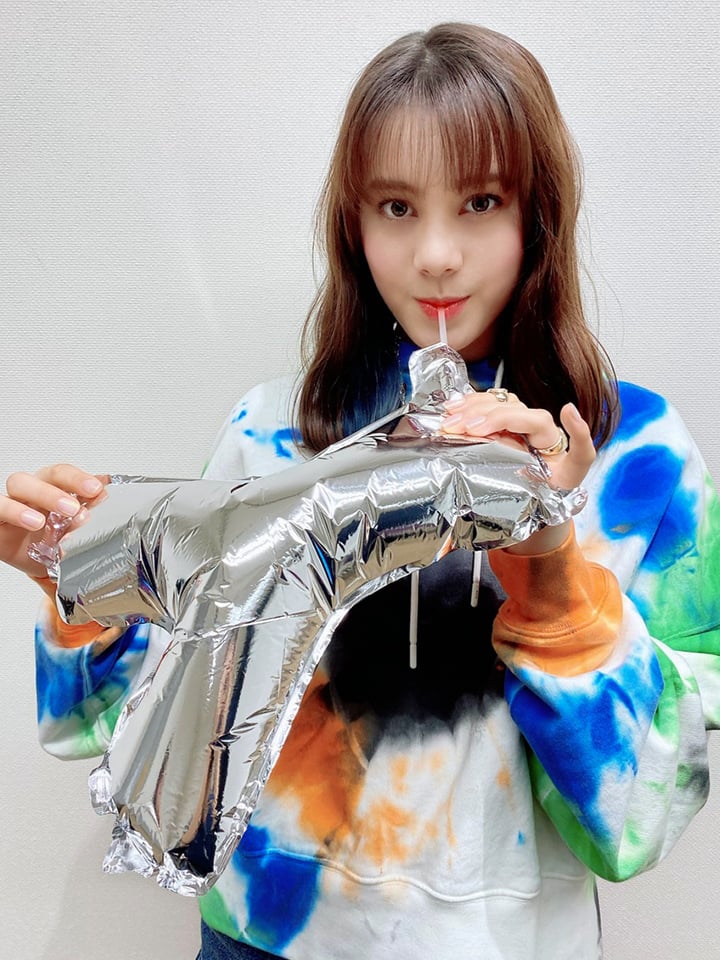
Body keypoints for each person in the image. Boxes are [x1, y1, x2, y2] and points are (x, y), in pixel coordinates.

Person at [1, 22, 718, 960]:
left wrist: (550, 571)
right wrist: (83, 584)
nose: (436, 255)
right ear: (354, 222)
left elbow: (645, 813)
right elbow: (157, 726)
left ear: (539, 213)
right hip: (267, 935)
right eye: (395, 206)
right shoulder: (275, 433)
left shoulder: (637, 455)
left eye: (481, 201)